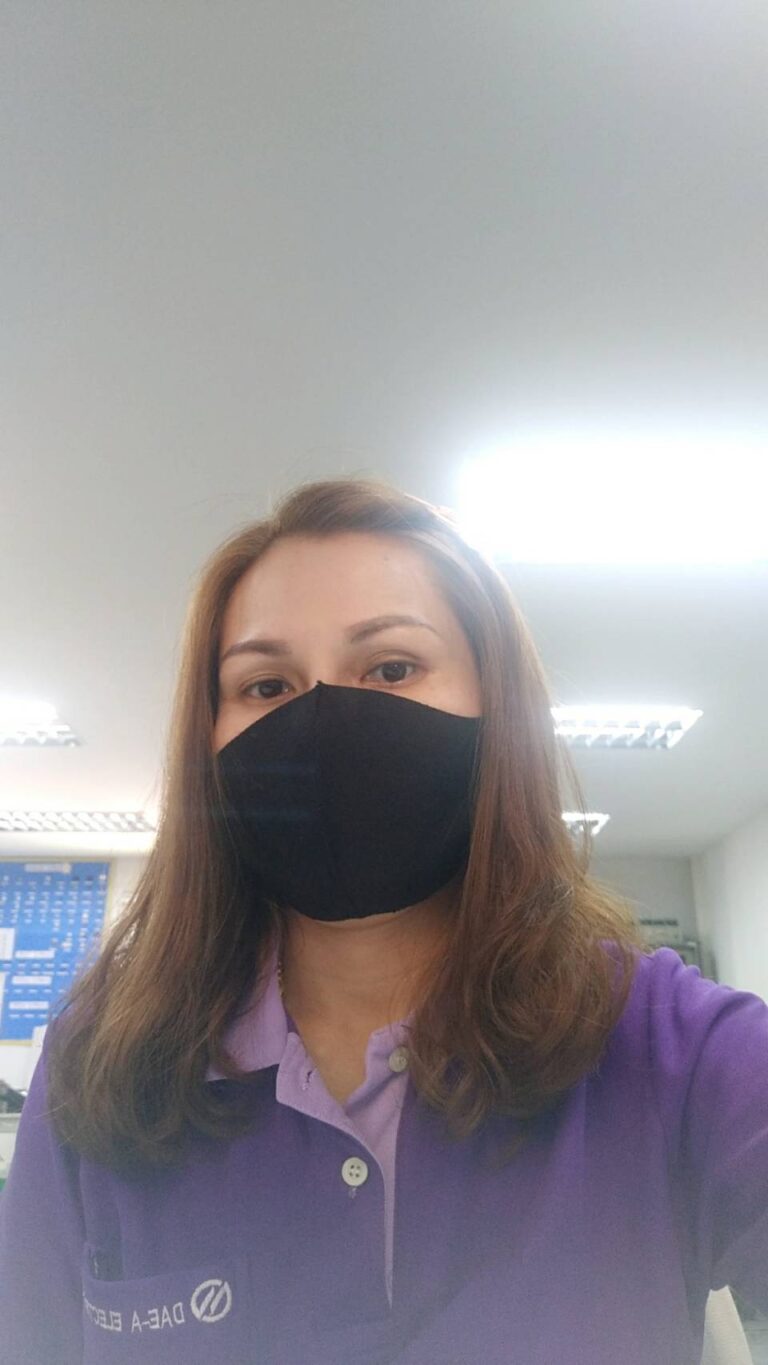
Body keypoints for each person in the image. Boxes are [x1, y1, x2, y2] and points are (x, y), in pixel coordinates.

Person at [0, 475, 766, 1364]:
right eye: (266, 684)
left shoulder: (675, 1049)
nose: (325, 717)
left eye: (393, 668)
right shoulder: (98, 1062)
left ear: (494, 707)